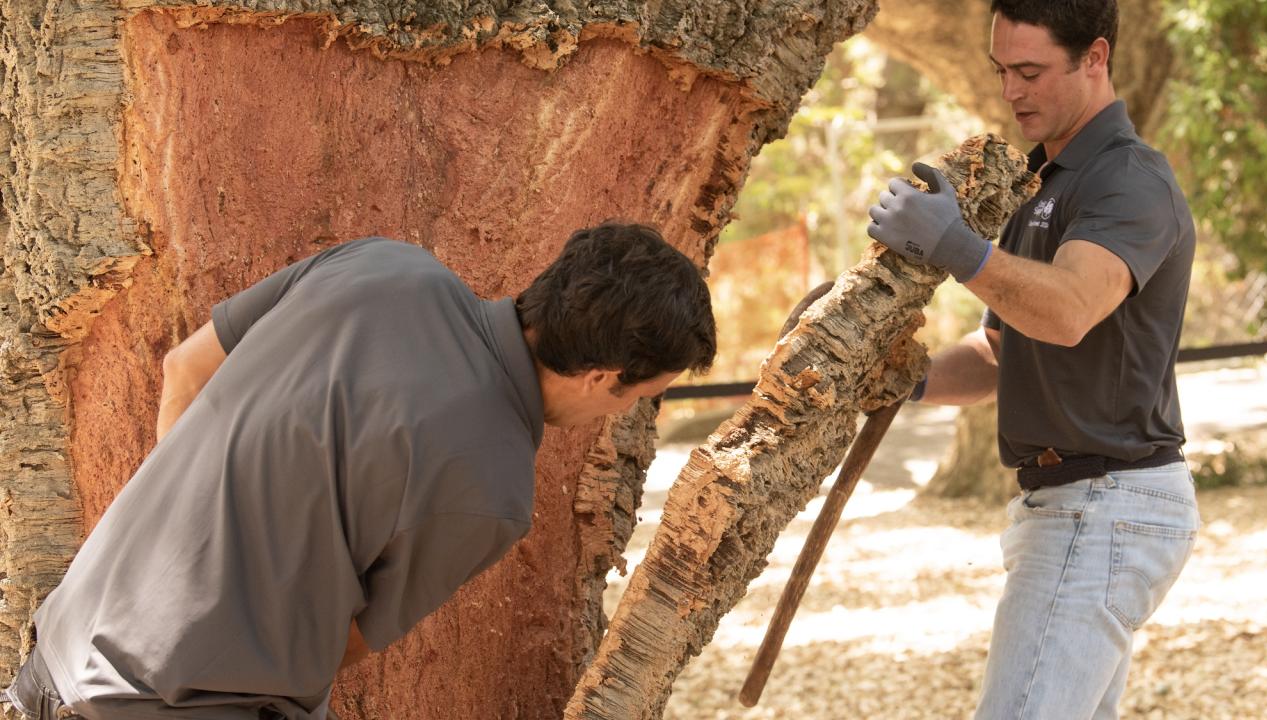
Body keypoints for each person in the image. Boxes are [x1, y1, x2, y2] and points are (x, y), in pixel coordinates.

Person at [2, 222, 716, 719]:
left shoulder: (382, 265)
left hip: (54, 656)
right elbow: (344, 641)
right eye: (640, 399)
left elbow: (184, 368)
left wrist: (199, 524)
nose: (621, 416)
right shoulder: (495, 487)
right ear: (602, 376)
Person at [866, 1, 1198, 718]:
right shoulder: (1039, 181)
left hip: (1107, 503)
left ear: (1096, 57)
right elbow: (999, 351)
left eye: (1030, 71)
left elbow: (1071, 308)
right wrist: (902, 376)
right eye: (1001, 71)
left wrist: (955, 246)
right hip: (1064, 507)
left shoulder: (1128, 178)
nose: (1011, 91)